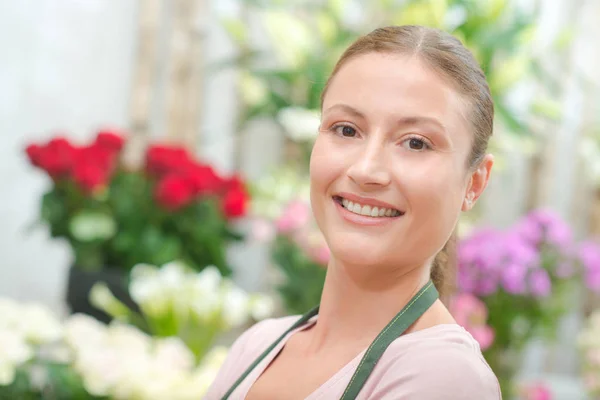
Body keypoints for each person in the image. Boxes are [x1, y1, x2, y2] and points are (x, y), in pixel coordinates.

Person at [205, 25, 501, 399]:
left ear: (474, 183)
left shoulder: (442, 376)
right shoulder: (259, 346)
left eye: (415, 142)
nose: (366, 170)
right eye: (346, 130)